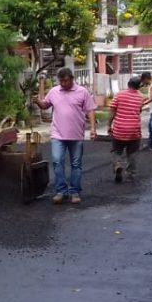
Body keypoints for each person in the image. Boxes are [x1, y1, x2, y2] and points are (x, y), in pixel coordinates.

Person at [36, 67, 98, 204]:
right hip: (57, 134)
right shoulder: (54, 91)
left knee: (76, 164)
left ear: (71, 79)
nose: (63, 84)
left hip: (76, 135)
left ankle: (74, 191)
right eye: (61, 81)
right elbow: (45, 105)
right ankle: (61, 191)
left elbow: (90, 111)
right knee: (57, 162)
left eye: (66, 81)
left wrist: (93, 128)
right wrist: (37, 101)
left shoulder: (82, 92)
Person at [109, 77, 146, 183]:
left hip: (119, 129)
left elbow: (112, 111)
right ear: (138, 86)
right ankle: (130, 174)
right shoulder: (141, 97)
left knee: (116, 151)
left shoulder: (119, 95)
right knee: (132, 153)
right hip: (134, 130)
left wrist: (108, 125)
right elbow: (138, 111)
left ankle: (118, 165)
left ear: (128, 84)